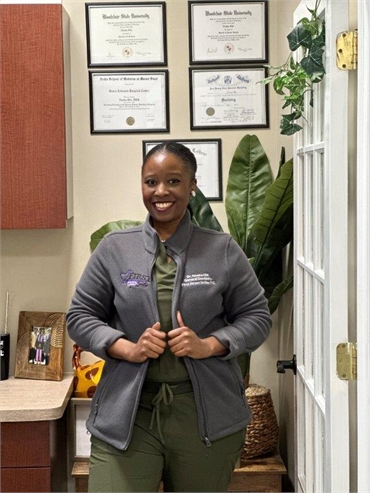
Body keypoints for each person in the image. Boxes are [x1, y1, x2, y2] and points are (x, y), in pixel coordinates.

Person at [66, 141, 272, 492]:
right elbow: (80, 316)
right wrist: (124, 347)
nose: (161, 192)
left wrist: (209, 344)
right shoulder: (115, 248)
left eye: (174, 181)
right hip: (127, 416)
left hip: (204, 416)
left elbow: (257, 317)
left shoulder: (221, 249)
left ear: (192, 185)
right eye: (151, 182)